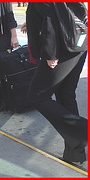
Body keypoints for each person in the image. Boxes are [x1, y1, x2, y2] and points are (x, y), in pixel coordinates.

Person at [25, 3, 88, 164]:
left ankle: (84, 130)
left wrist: (50, 52)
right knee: (66, 95)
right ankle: (75, 154)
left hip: (60, 49)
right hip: (78, 42)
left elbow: (51, 18)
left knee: (37, 96)